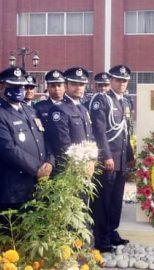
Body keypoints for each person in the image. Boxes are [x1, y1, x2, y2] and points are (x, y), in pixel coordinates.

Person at [0, 67, 53, 226]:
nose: (19, 90)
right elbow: (7, 149)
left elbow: (44, 139)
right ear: (1, 87)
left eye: (21, 86)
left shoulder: (29, 110)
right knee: (7, 243)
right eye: (13, 86)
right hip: (7, 192)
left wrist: (49, 161)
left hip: (29, 187)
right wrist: (37, 168)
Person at [90, 65, 134, 253]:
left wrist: (130, 156)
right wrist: (106, 156)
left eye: (124, 81)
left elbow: (126, 131)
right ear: (111, 81)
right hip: (108, 159)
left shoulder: (125, 102)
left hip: (121, 159)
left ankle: (111, 231)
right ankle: (101, 238)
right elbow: (99, 132)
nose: (122, 84)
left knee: (116, 199)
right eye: (118, 80)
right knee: (103, 200)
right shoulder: (103, 100)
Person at [46, 67, 95, 172]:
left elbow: (90, 137)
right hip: (68, 168)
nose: (78, 88)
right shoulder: (59, 109)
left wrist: (91, 159)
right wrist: (78, 164)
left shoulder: (83, 109)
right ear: (66, 86)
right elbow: (62, 144)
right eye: (74, 84)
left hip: (85, 166)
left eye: (81, 84)